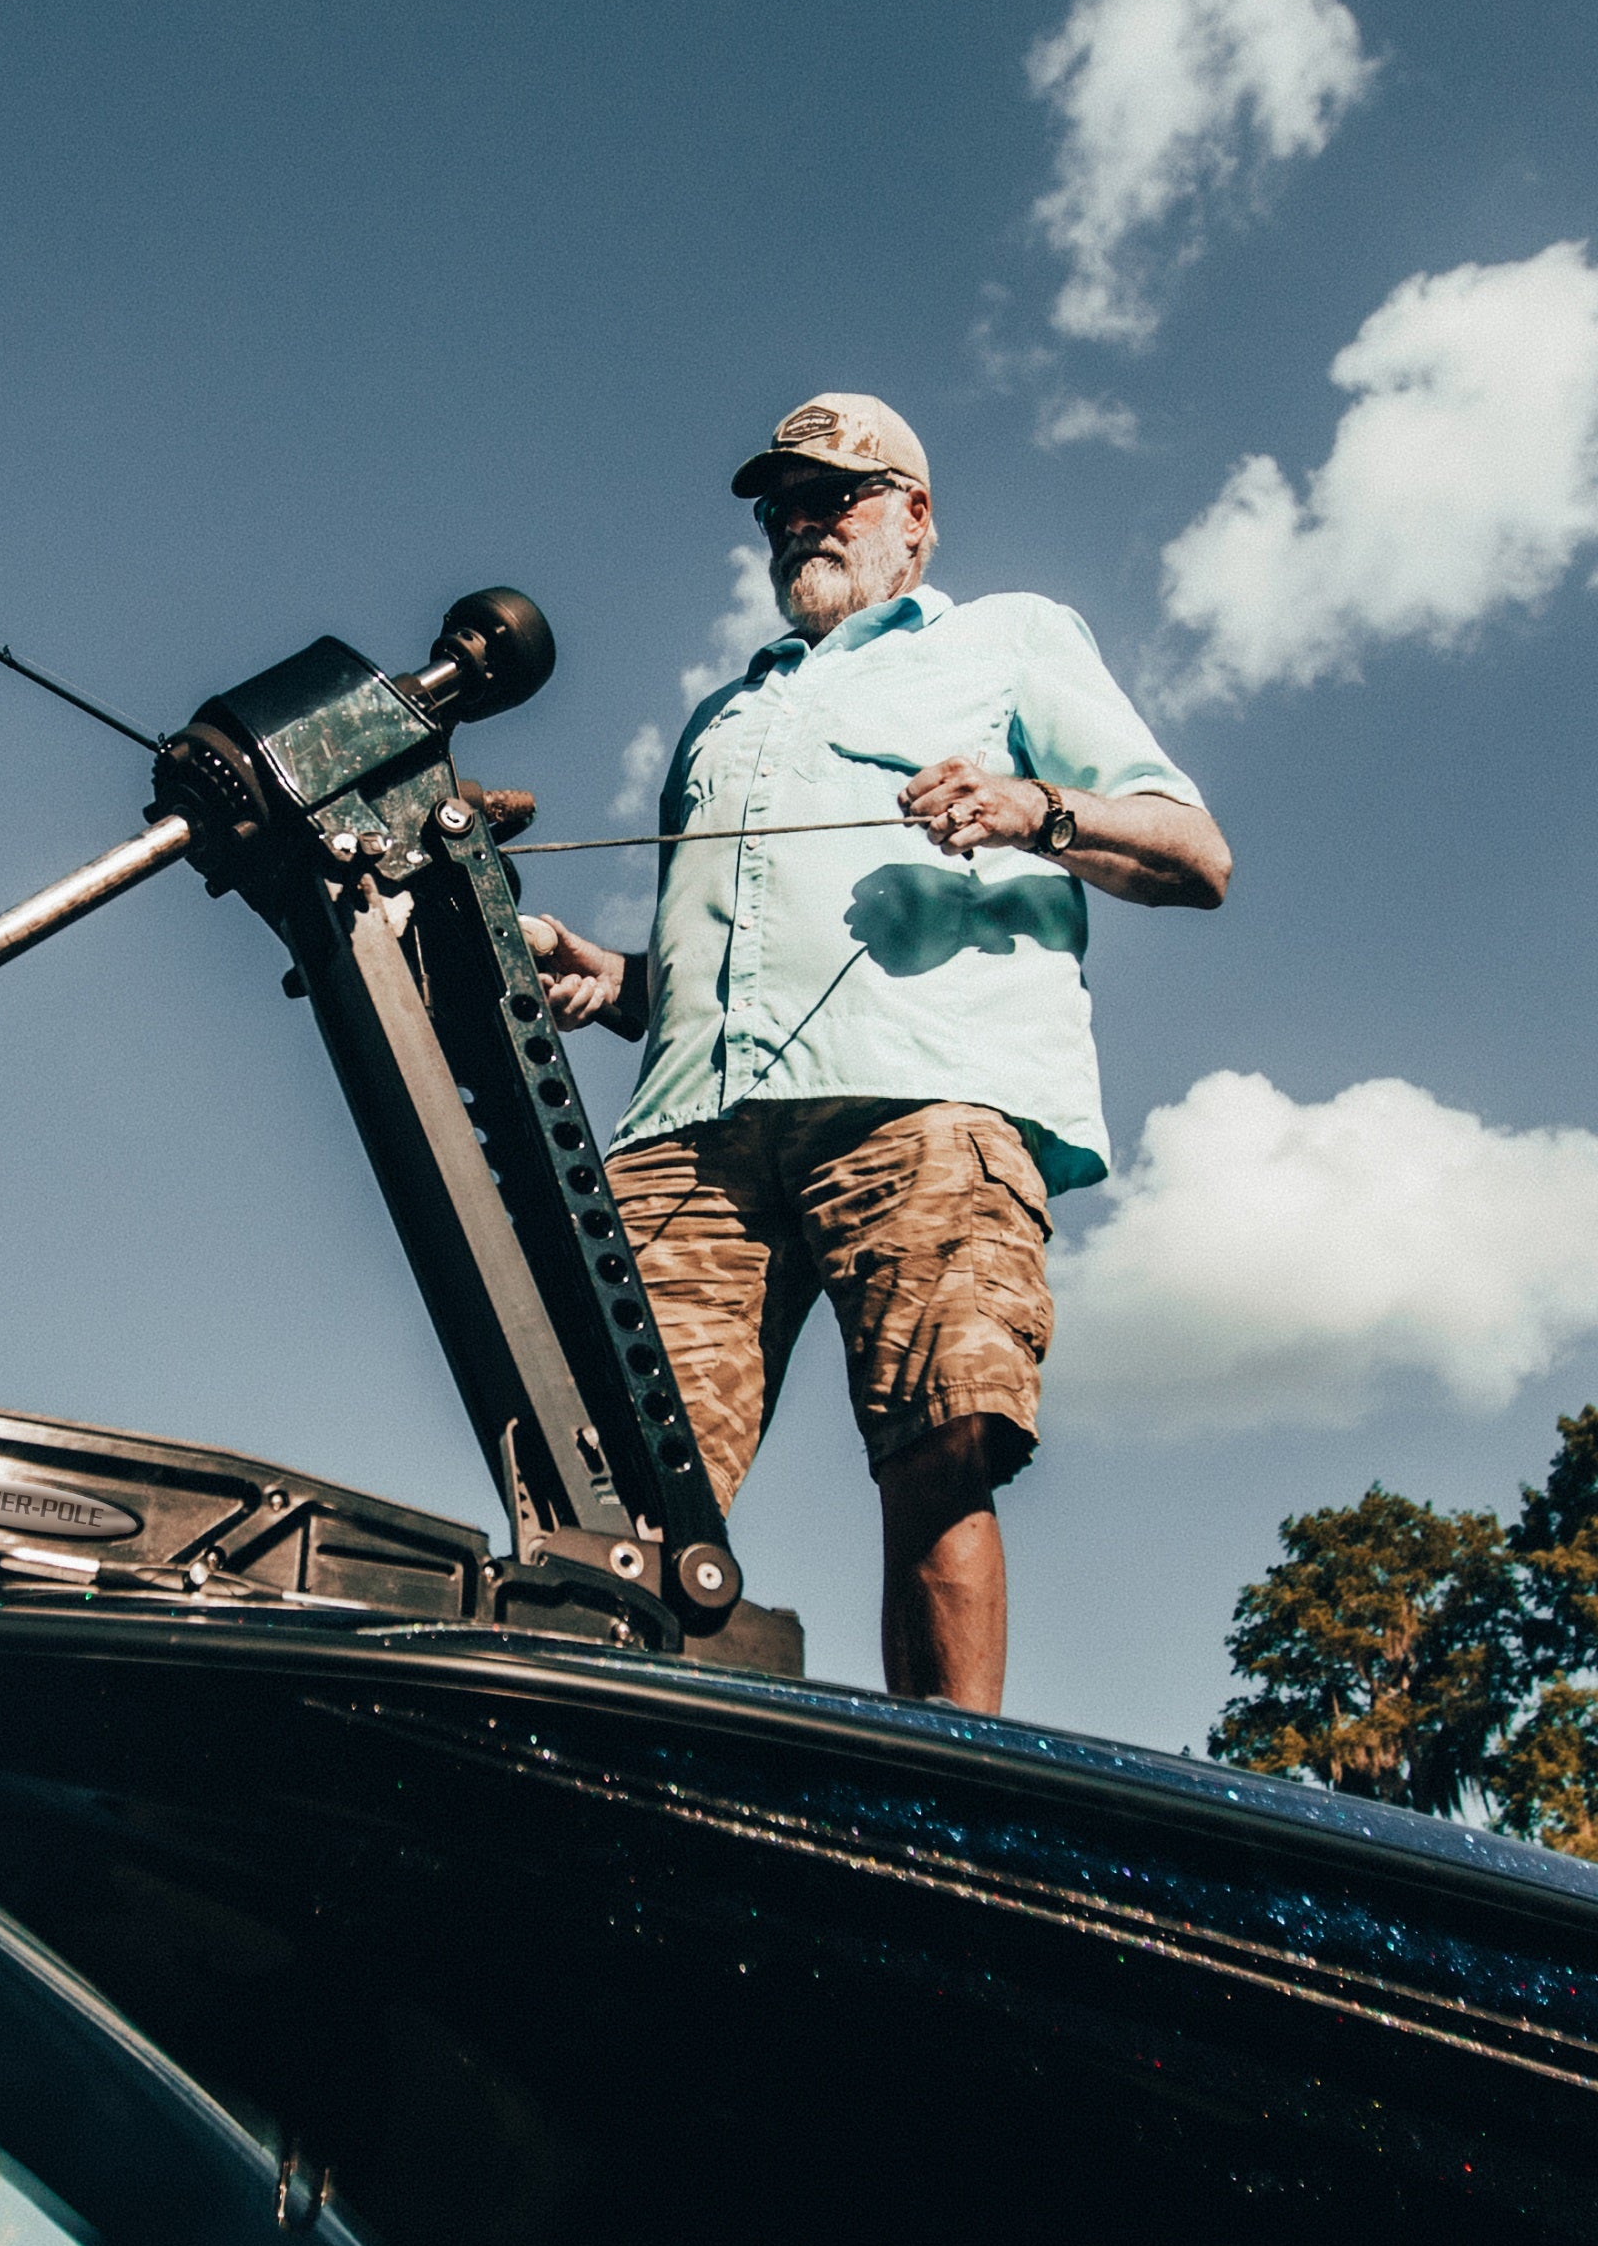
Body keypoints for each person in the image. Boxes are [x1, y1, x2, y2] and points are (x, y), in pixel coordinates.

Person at [521, 390, 1228, 1709]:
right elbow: (716, 968)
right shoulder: (721, 718)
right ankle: (591, 1770)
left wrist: (1032, 807)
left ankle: (948, 1789)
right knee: (600, 1482)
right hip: (689, 1136)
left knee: (939, 1444)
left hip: (921, 1100)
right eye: (779, 508)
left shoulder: (1011, 639)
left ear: (914, 515)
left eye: (829, 497)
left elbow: (1196, 855)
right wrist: (616, 979)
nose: (799, 524)